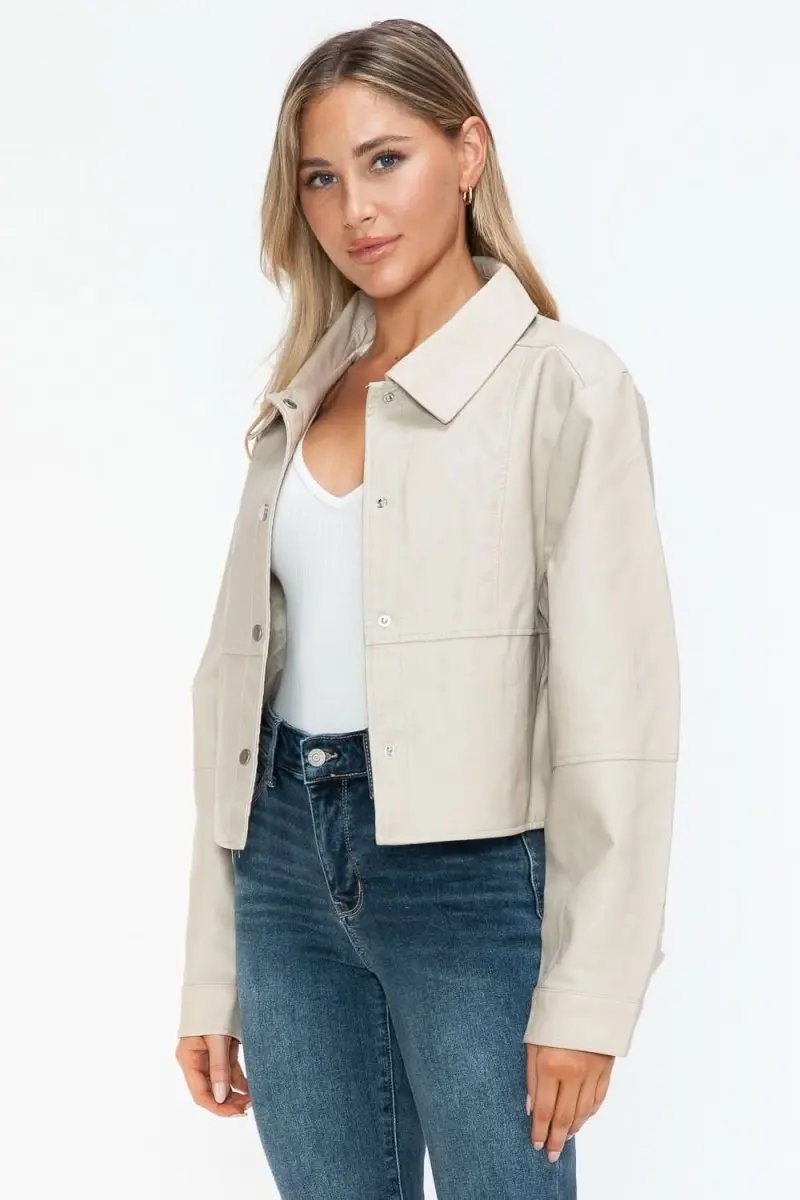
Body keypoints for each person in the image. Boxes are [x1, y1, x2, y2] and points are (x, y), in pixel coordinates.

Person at [174, 17, 680, 1200]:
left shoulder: (564, 388)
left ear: (467, 153)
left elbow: (618, 708)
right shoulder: (294, 406)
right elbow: (230, 699)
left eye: (385, 159)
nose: (354, 207)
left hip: (471, 879)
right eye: (320, 177)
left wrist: (588, 996)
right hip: (283, 870)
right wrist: (211, 970)